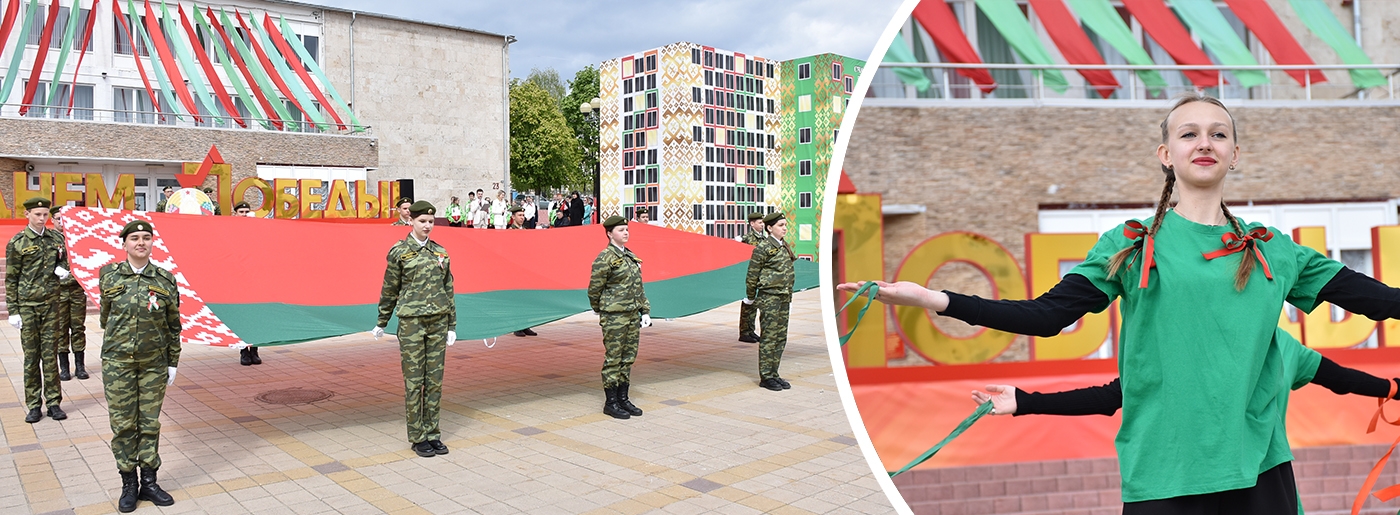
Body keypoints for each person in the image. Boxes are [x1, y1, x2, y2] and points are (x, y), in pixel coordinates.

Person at [837, 93, 1400, 513]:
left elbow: (1381, 302)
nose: (1204, 142)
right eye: (1189, 134)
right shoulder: (1132, 245)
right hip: (1163, 476)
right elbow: (1046, 317)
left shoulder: (1279, 253)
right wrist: (934, 298)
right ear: (1165, 153)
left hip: (1260, 477)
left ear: (1235, 155)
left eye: (1218, 134)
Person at [99, 219, 181, 512]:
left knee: (149, 423)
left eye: (146, 237)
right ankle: (128, 484)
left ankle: (149, 482)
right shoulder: (108, 275)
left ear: (151, 243)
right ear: (124, 243)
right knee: (123, 425)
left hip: (153, 364)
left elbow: (174, 325)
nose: (141, 242)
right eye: (134, 238)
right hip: (117, 363)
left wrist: (173, 361)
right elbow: (105, 317)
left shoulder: (164, 279)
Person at [372, 201, 456, 458]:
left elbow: (448, 289)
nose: (427, 226)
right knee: (414, 381)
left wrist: (452, 324)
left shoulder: (440, 253)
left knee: (434, 381)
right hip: (411, 324)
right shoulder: (399, 252)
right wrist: (382, 321)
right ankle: (417, 436)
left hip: (438, 322)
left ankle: (433, 432)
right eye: (422, 221)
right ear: (412, 221)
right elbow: (390, 288)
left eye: (430, 222)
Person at [7, 197, 71, 423]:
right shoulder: (18, 242)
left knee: (50, 356)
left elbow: (67, 258)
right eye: (38, 214)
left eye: (45, 214)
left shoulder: (56, 238)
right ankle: (34, 404)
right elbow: (12, 278)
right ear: (27, 215)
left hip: (51, 304)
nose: (42, 218)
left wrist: (62, 268)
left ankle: (54, 402)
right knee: (32, 357)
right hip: (28, 307)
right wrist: (13, 310)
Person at [587, 216, 650, 419]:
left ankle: (623, 398)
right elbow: (594, 288)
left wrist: (645, 310)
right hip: (614, 316)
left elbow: (639, 287)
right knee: (614, 358)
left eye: (626, 229)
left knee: (628, 357)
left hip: (632, 314)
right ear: (609, 233)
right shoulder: (604, 258)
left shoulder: (631, 257)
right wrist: (600, 309)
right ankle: (611, 401)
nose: (625, 233)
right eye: (621, 230)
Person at [746, 212, 796, 391]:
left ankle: (775, 373)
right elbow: (752, 274)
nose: (785, 228)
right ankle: (766, 376)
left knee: (780, 337)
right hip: (769, 298)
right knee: (769, 337)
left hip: (783, 297)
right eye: (781, 225)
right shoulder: (763, 248)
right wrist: (751, 297)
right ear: (769, 228)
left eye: (785, 225)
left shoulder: (783, 246)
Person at [52, 206, 90, 381]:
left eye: (63, 218)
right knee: (60, 329)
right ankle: (64, 368)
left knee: (78, 328)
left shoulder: (76, 238)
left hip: (76, 290)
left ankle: (80, 366)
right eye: (57, 218)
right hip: (58, 291)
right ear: (52, 220)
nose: (61, 221)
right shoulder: (49, 239)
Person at [736, 211, 767, 343]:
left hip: (759, 275)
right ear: (752, 224)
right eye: (759, 222)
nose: (762, 225)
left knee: (754, 304)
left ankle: (751, 330)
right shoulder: (747, 238)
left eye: (762, 222)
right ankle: (744, 333)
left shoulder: (763, 238)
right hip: (749, 274)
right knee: (747, 304)